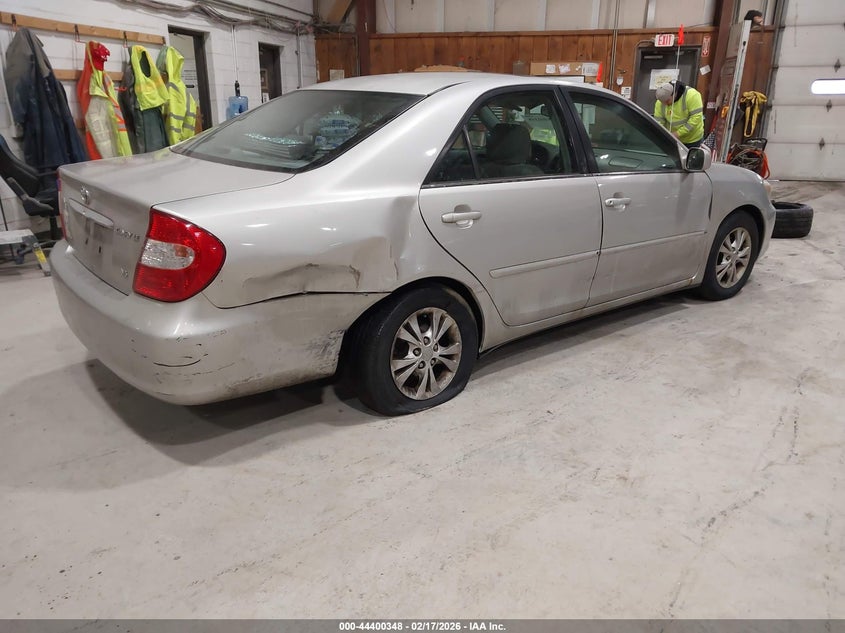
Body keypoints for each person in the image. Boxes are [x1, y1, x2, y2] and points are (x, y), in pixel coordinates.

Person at [653, 80, 704, 148]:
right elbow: (659, 122)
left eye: (667, 101)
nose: (665, 104)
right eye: (662, 102)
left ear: (674, 94)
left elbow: (695, 119)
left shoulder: (692, 95)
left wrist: (678, 134)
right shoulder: (660, 103)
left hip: (692, 140)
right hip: (673, 140)